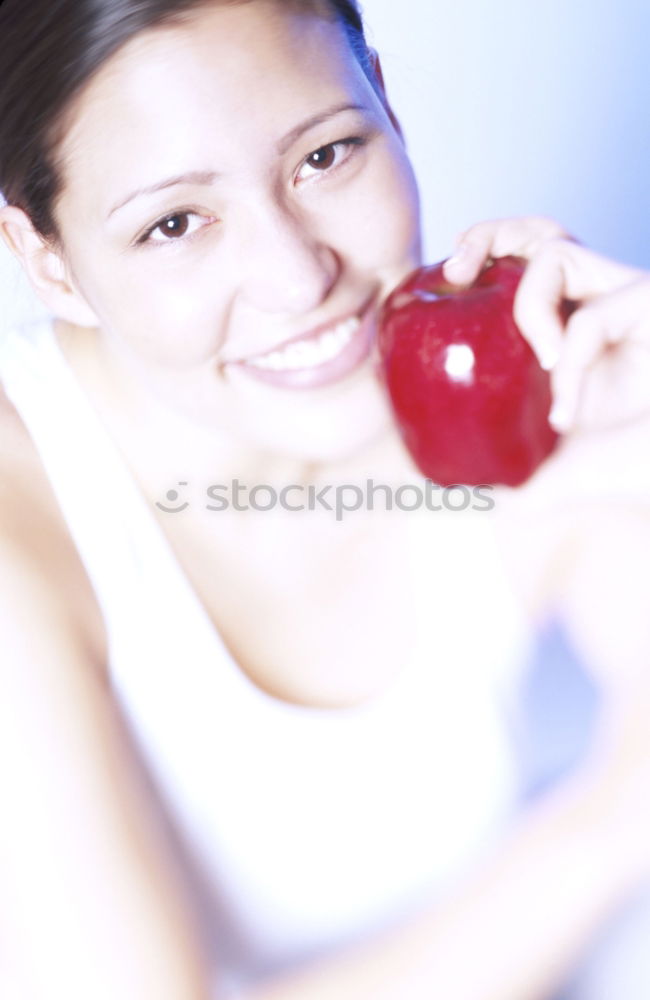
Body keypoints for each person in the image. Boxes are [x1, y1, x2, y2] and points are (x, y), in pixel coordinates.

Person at [0, 1, 649, 998]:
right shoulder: (22, 508)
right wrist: (608, 823)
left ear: (385, 107)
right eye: (175, 223)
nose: (299, 279)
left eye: (325, 156)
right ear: (49, 260)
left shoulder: (498, 359)